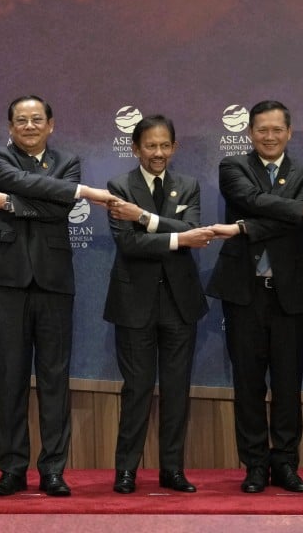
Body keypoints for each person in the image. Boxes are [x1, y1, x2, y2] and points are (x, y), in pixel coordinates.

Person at [0, 94, 117, 497]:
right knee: (11, 378)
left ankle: (53, 469)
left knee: (55, 378)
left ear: (51, 124)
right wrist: (67, 194)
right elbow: (27, 187)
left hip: (53, 281)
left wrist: (7, 205)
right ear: (10, 127)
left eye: (37, 119)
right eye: (22, 120)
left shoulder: (68, 163)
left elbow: (58, 211)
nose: (30, 126)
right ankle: (12, 469)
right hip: (6, 280)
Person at [206, 100, 303, 494]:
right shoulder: (232, 167)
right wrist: (302, 209)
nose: (269, 136)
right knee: (247, 383)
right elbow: (253, 200)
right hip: (244, 291)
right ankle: (254, 465)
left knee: (287, 383)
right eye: (261, 130)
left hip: (290, 291)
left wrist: (245, 228)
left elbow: (292, 220)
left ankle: (285, 463)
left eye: (277, 129)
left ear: (289, 132)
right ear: (250, 132)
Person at [103, 115, 209, 494]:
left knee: (177, 390)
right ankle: (126, 470)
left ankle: (172, 470)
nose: (158, 153)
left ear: (174, 148)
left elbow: (196, 233)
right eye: (151, 146)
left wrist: (144, 218)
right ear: (136, 149)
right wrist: (176, 235)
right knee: (137, 389)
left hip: (180, 304)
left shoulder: (189, 185)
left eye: (165, 146)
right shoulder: (119, 186)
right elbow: (129, 245)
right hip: (134, 303)